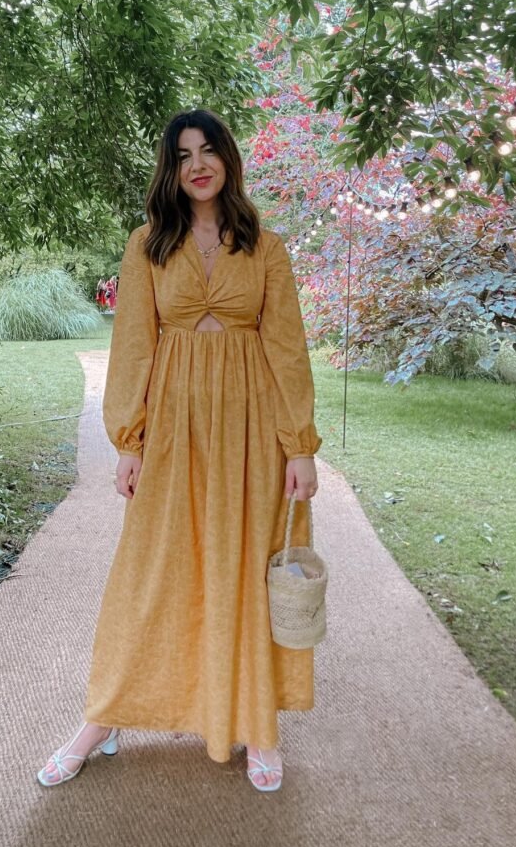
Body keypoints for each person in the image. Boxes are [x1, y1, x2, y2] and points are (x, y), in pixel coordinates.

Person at [37, 108, 322, 793]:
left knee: (248, 563)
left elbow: (286, 348)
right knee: (152, 569)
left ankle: (257, 722)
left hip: (253, 426)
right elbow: (134, 344)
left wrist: (299, 446)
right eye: (183, 154)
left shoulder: (267, 245)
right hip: (173, 427)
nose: (198, 164)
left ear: (227, 158)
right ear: (170, 168)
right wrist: (128, 441)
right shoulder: (147, 244)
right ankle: (102, 718)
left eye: (208, 150)